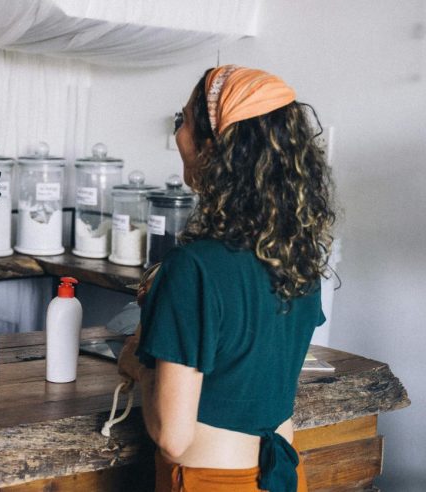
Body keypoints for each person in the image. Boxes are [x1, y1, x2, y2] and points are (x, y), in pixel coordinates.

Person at [118, 65, 335, 492]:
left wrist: (138, 363)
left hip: (213, 482)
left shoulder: (193, 267)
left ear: (213, 148)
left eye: (183, 122)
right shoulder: (298, 255)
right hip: (284, 476)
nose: (178, 136)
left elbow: (174, 437)